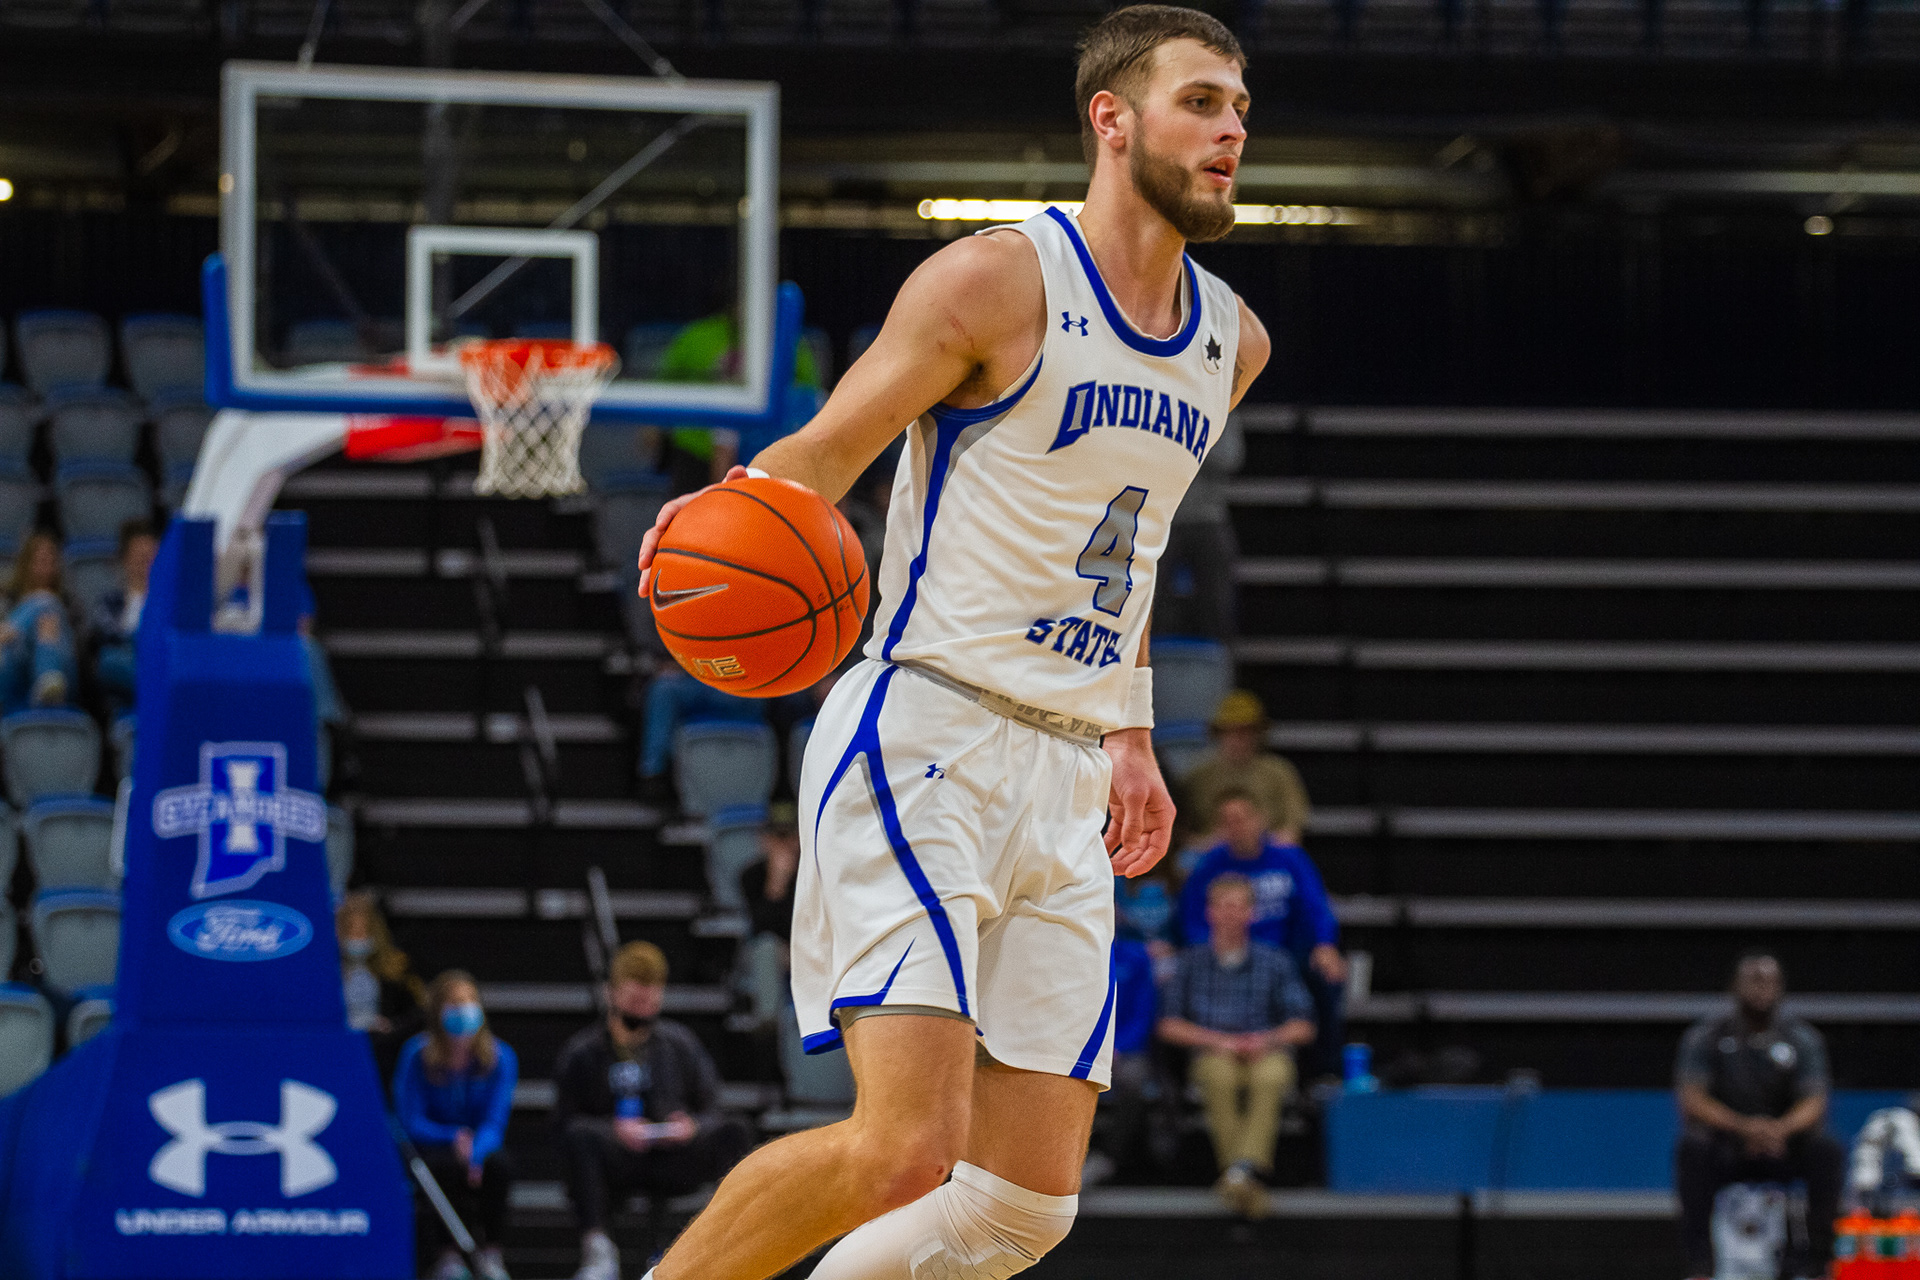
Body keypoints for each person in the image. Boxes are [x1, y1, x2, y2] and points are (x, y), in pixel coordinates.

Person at [633, 8, 1269, 1275]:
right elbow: (822, 456)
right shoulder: (996, 280)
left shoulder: (1230, 341)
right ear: (1111, 118)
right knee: (902, 1148)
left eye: (1241, 108)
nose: (1232, 131)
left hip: (1071, 767)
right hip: (932, 730)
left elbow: (1129, 545)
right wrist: (719, 520)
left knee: (1020, 1207)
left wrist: (1132, 728)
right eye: (1201, 102)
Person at [555, 941, 754, 1280]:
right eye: (635, 1000)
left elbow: (712, 1107)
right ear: (612, 993)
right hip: (618, 1159)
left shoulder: (679, 1044)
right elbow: (563, 1122)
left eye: (649, 1001)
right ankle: (598, 1250)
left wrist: (692, 1126)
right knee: (580, 1138)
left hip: (673, 1154)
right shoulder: (583, 1052)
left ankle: (730, 1241)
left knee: (735, 1131)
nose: (643, 1009)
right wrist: (612, 1130)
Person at [1675, 953, 1846, 1280]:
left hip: (1784, 1146)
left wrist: (1780, 1130)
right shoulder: (1707, 1036)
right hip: (1729, 1145)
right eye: (1753, 981)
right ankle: (1700, 1266)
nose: (1761, 989)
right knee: (1692, 1148)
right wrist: (1744, 1128)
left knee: (1827, 1149)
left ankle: (1817, 1263)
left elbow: (1814, 1101)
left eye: (1768, 981)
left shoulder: (1802, 1038)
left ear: (1780, 988)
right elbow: (1693, 1098)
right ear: (1734, 987)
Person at [1157, 874, 1315, 1219]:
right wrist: (1219, 1041)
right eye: (1223, 906)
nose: (1230, 914)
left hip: (1266, 1049)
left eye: (1238, 907)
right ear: (1209, 912)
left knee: (1272, 1076)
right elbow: (1169, 1025)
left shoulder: (1275, 961)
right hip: (1212, 1051)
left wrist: (1266, 1040)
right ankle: (1246, 1175)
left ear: (1251, 913)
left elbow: (1303, 1025)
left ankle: (1236, 1173)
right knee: (1219, 1077)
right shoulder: (1190, 962)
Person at [1179, 790, 1346, 1077]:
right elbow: (1191, 917)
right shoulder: (1210, 864)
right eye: (1227, 821)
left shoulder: (1288, 858)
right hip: (1227, 951)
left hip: (1283, 952)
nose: (1235, 827)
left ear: (1260, 820)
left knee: (1325, 975)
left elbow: (1315, 906)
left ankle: (1324, 1073)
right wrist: (1211, 949)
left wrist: (1325, 945)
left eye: (1241, 819)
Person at [394, 971, 518, 1280]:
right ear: (438, 1013)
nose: (463, 1014)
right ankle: (447, 1255)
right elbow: (410, 1120)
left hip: (479, 1143)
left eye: (468, 1004)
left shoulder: (501, 1057)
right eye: (454, 1006)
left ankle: (491, 1252)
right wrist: (453, 1136)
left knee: (499, 1166)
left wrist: (475, 1152)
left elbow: (495, 1120)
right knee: (442, 1167)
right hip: (434, 1143)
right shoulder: (416, 1055)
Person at [1153, 409, 1242, 640]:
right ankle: (1144, 658)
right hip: (1163, 517)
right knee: (1147, 599)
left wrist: (1182, 437)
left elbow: (1230, 458)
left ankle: (1221, 655)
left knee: (1218, 602)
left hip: (1209, 517)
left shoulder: (1223, 405)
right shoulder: (1159, 403)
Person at [1180, 689, 1311, 839]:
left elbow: (1294, 825)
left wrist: (1268, 843)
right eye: (1231, 731)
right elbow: (1181, 830)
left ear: (1259, 734)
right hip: (1211, 850)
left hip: (1267, 848)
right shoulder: (1197, 776)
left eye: (1246, 731)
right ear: (1217, 734)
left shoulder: (1280, 772)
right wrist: (1203, 843)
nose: (1238, 739)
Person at [337, 890, 426, 1085]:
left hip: (385, 1054)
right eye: (349, 930)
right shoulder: (328, 970)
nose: (356, 937)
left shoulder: (397, 966)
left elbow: (418, 1013)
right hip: (340, 1049)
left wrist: (390, 1027)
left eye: (362, 930)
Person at [735, 801, 800, 1027]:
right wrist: (776, 885)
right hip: (768, 954)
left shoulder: (812, 874)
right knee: (766, 949)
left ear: (798, 840)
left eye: (787, 837)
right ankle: (767, 1025)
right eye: (775, 837)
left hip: (805, 951)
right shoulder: (751, 875)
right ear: (764, 840)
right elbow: (759, 927)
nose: (781, 845)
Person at [0, 532, 78, 712]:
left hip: (64, 676)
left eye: (51, 561)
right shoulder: (8, 601)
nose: (46, 567)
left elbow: (79, 649)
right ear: (26, 564)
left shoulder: (70, 603)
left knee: (46, 604)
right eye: (40, 560)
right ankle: (47, 679)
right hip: (14, 673)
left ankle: (48, 680)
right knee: (44, 604)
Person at [92, 518, 157, 715]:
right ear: (125, 559)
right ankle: (156, 687)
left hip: (156, 657)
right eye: (139, 555)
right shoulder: (110, 602)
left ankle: (155, 687)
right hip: (127, 666)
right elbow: (107, 636)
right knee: (109, 660)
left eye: (150, 555)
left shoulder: (169, 602)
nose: (145, 562)